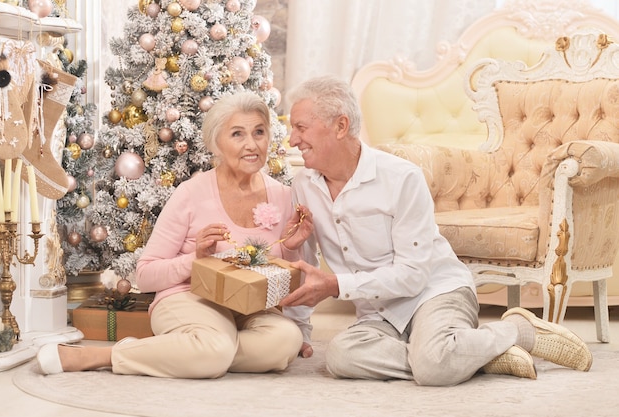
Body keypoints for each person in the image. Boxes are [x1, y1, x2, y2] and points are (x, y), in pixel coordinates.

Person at [279, 75, 593, 385]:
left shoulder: (401, 178)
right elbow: (304, 265)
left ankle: (518, 331)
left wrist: (336, 285)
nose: (292, 140)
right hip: (379, 312)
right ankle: (466, 355)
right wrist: (301, 333)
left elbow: (413, 275)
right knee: (340, 357)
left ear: (340, 126)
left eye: (300, 127)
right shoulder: (304, 184)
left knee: (433, 369)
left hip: (434, 292)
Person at [37, 91, 314, 377]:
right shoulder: (190, 193)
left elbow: (292, 287)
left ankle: (197, 352)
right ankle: (102, 355)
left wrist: (292, 249)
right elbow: (145, 276)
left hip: (251, 308)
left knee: (285, 341)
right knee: (217, 346)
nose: (252, 144)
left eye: (259, 132)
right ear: (215, 143)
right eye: (237, 134)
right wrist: (196, 259)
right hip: (188, 299)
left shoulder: (282, 195)